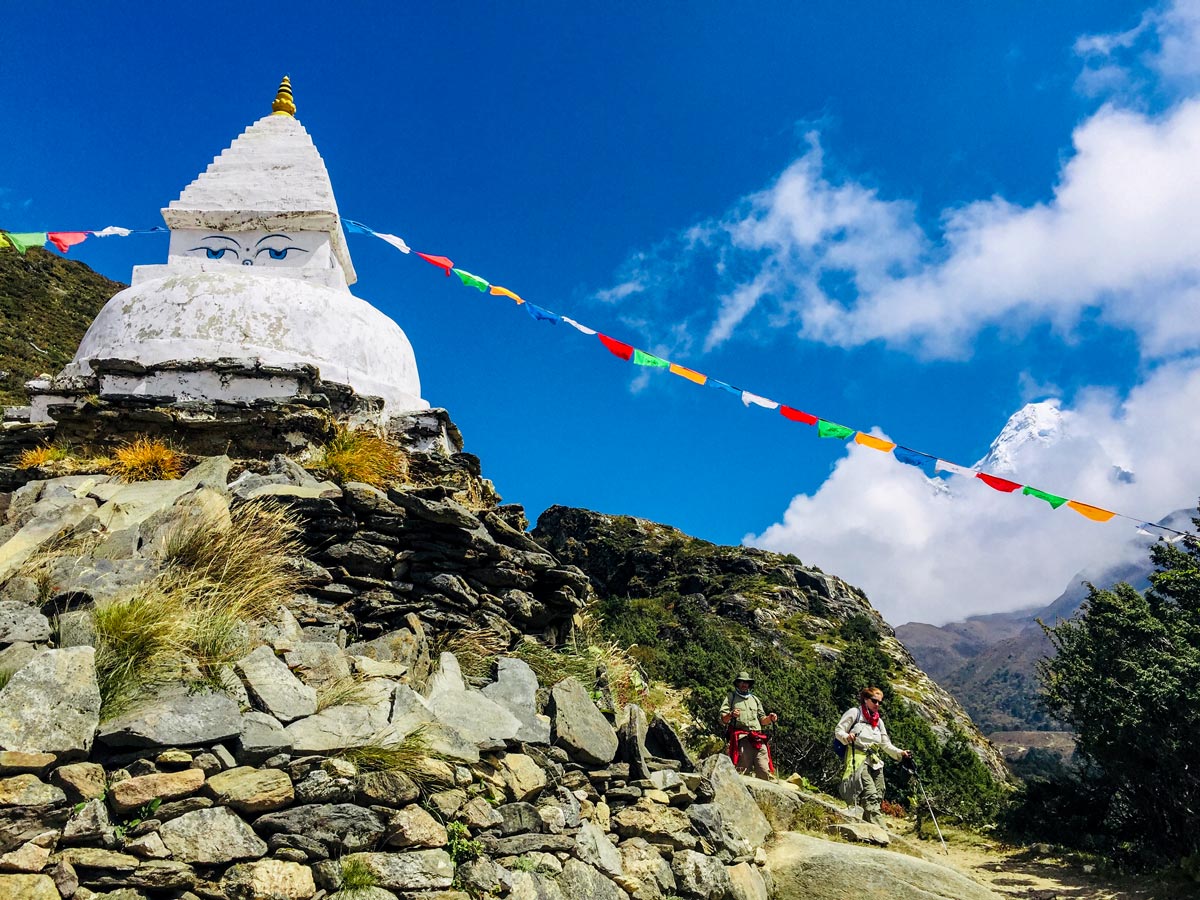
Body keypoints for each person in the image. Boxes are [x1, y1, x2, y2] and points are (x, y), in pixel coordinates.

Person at [834, 686, 911, 827]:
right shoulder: (855, 713)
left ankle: (865, 825)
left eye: (880, 702)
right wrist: (847, 737)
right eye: (874, 701)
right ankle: (879, 828)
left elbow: (886, 744)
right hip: (858, 758)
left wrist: (900, 753)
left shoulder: (878, 722)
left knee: (879, 793)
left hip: (875, 761)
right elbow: (839, 730)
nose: (877, 705)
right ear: (865, 699)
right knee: (870, 793)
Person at [719, 671, 778, 779]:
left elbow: (762, 720)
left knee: (764, 770)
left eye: (746, 682)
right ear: (737, 683)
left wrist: (770, 718)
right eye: (741, 682)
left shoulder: (755, 699)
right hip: (742, 739)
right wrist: (731, 714)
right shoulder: (731, 697)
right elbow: (724, 719)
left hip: (758, 739)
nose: (744, 684)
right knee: (742, 771)